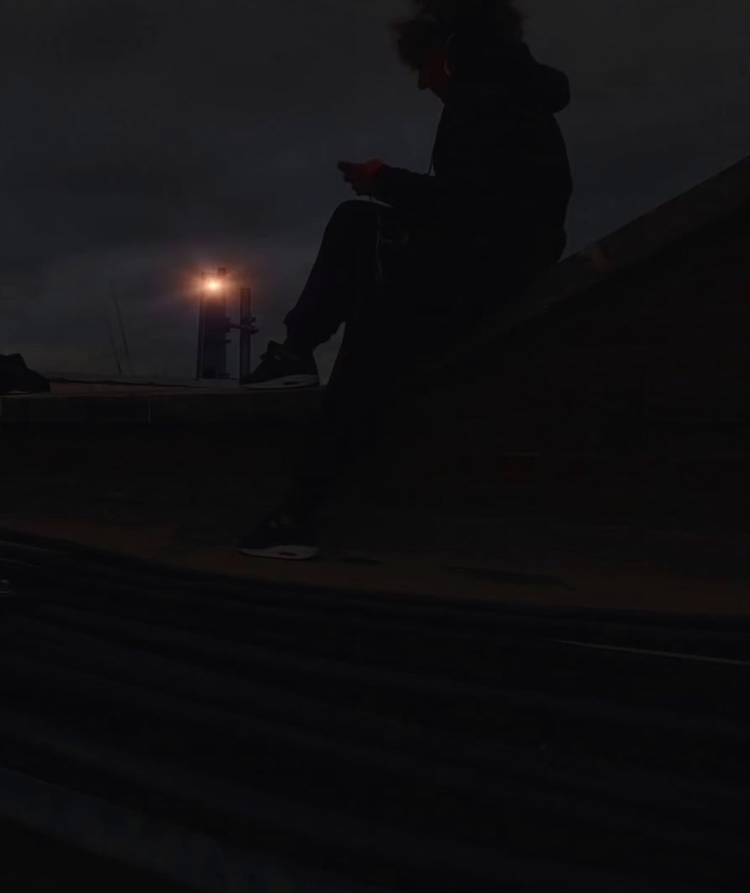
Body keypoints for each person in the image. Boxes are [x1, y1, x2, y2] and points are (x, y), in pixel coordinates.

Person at [235, 0, 572, 560]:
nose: (422, 84)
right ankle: (296, 353)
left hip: (488, 267)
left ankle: (298, 512)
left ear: (449, 54)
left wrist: (384, 179)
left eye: (425, 67)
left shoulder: (484, 99)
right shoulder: (510, 92)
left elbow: (475, 204)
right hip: (496, 255)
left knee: (369, 342)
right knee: (358, 226)